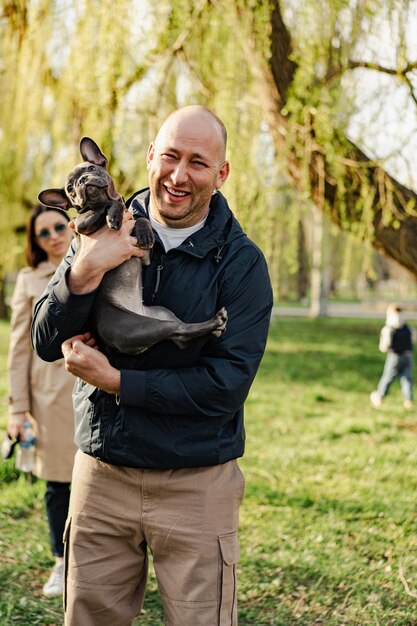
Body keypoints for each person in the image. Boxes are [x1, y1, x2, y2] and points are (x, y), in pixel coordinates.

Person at [31, 105, 273, 626]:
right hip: (101, 473)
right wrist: (84, 269)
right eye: (169, 156)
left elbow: (225, 386)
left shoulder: (241, 263)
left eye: (198, 162)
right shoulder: (93, 233)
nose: (179, 175)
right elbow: (45, 341)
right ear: (148, 157)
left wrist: (118, 382)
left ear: (222, 172)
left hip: (196, 482)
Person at [7, 204, 77, 597]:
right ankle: (61, 562)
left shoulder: (98, 260)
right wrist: (18, 407)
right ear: (36, 242)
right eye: (43, 232)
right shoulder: (29, 280)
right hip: (50, 399)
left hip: (102, 389)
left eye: (57, 226)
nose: (53, 235)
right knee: (59, 485)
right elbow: (18, 348)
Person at [370, 303, 415, 409]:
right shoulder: (407, 326)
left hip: (395, 355)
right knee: (407, 378)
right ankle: (408, 401)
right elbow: (413, 339)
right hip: (408, 355)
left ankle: (380, 396)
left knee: (388, 376)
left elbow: (384, 346)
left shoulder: (389, 327)